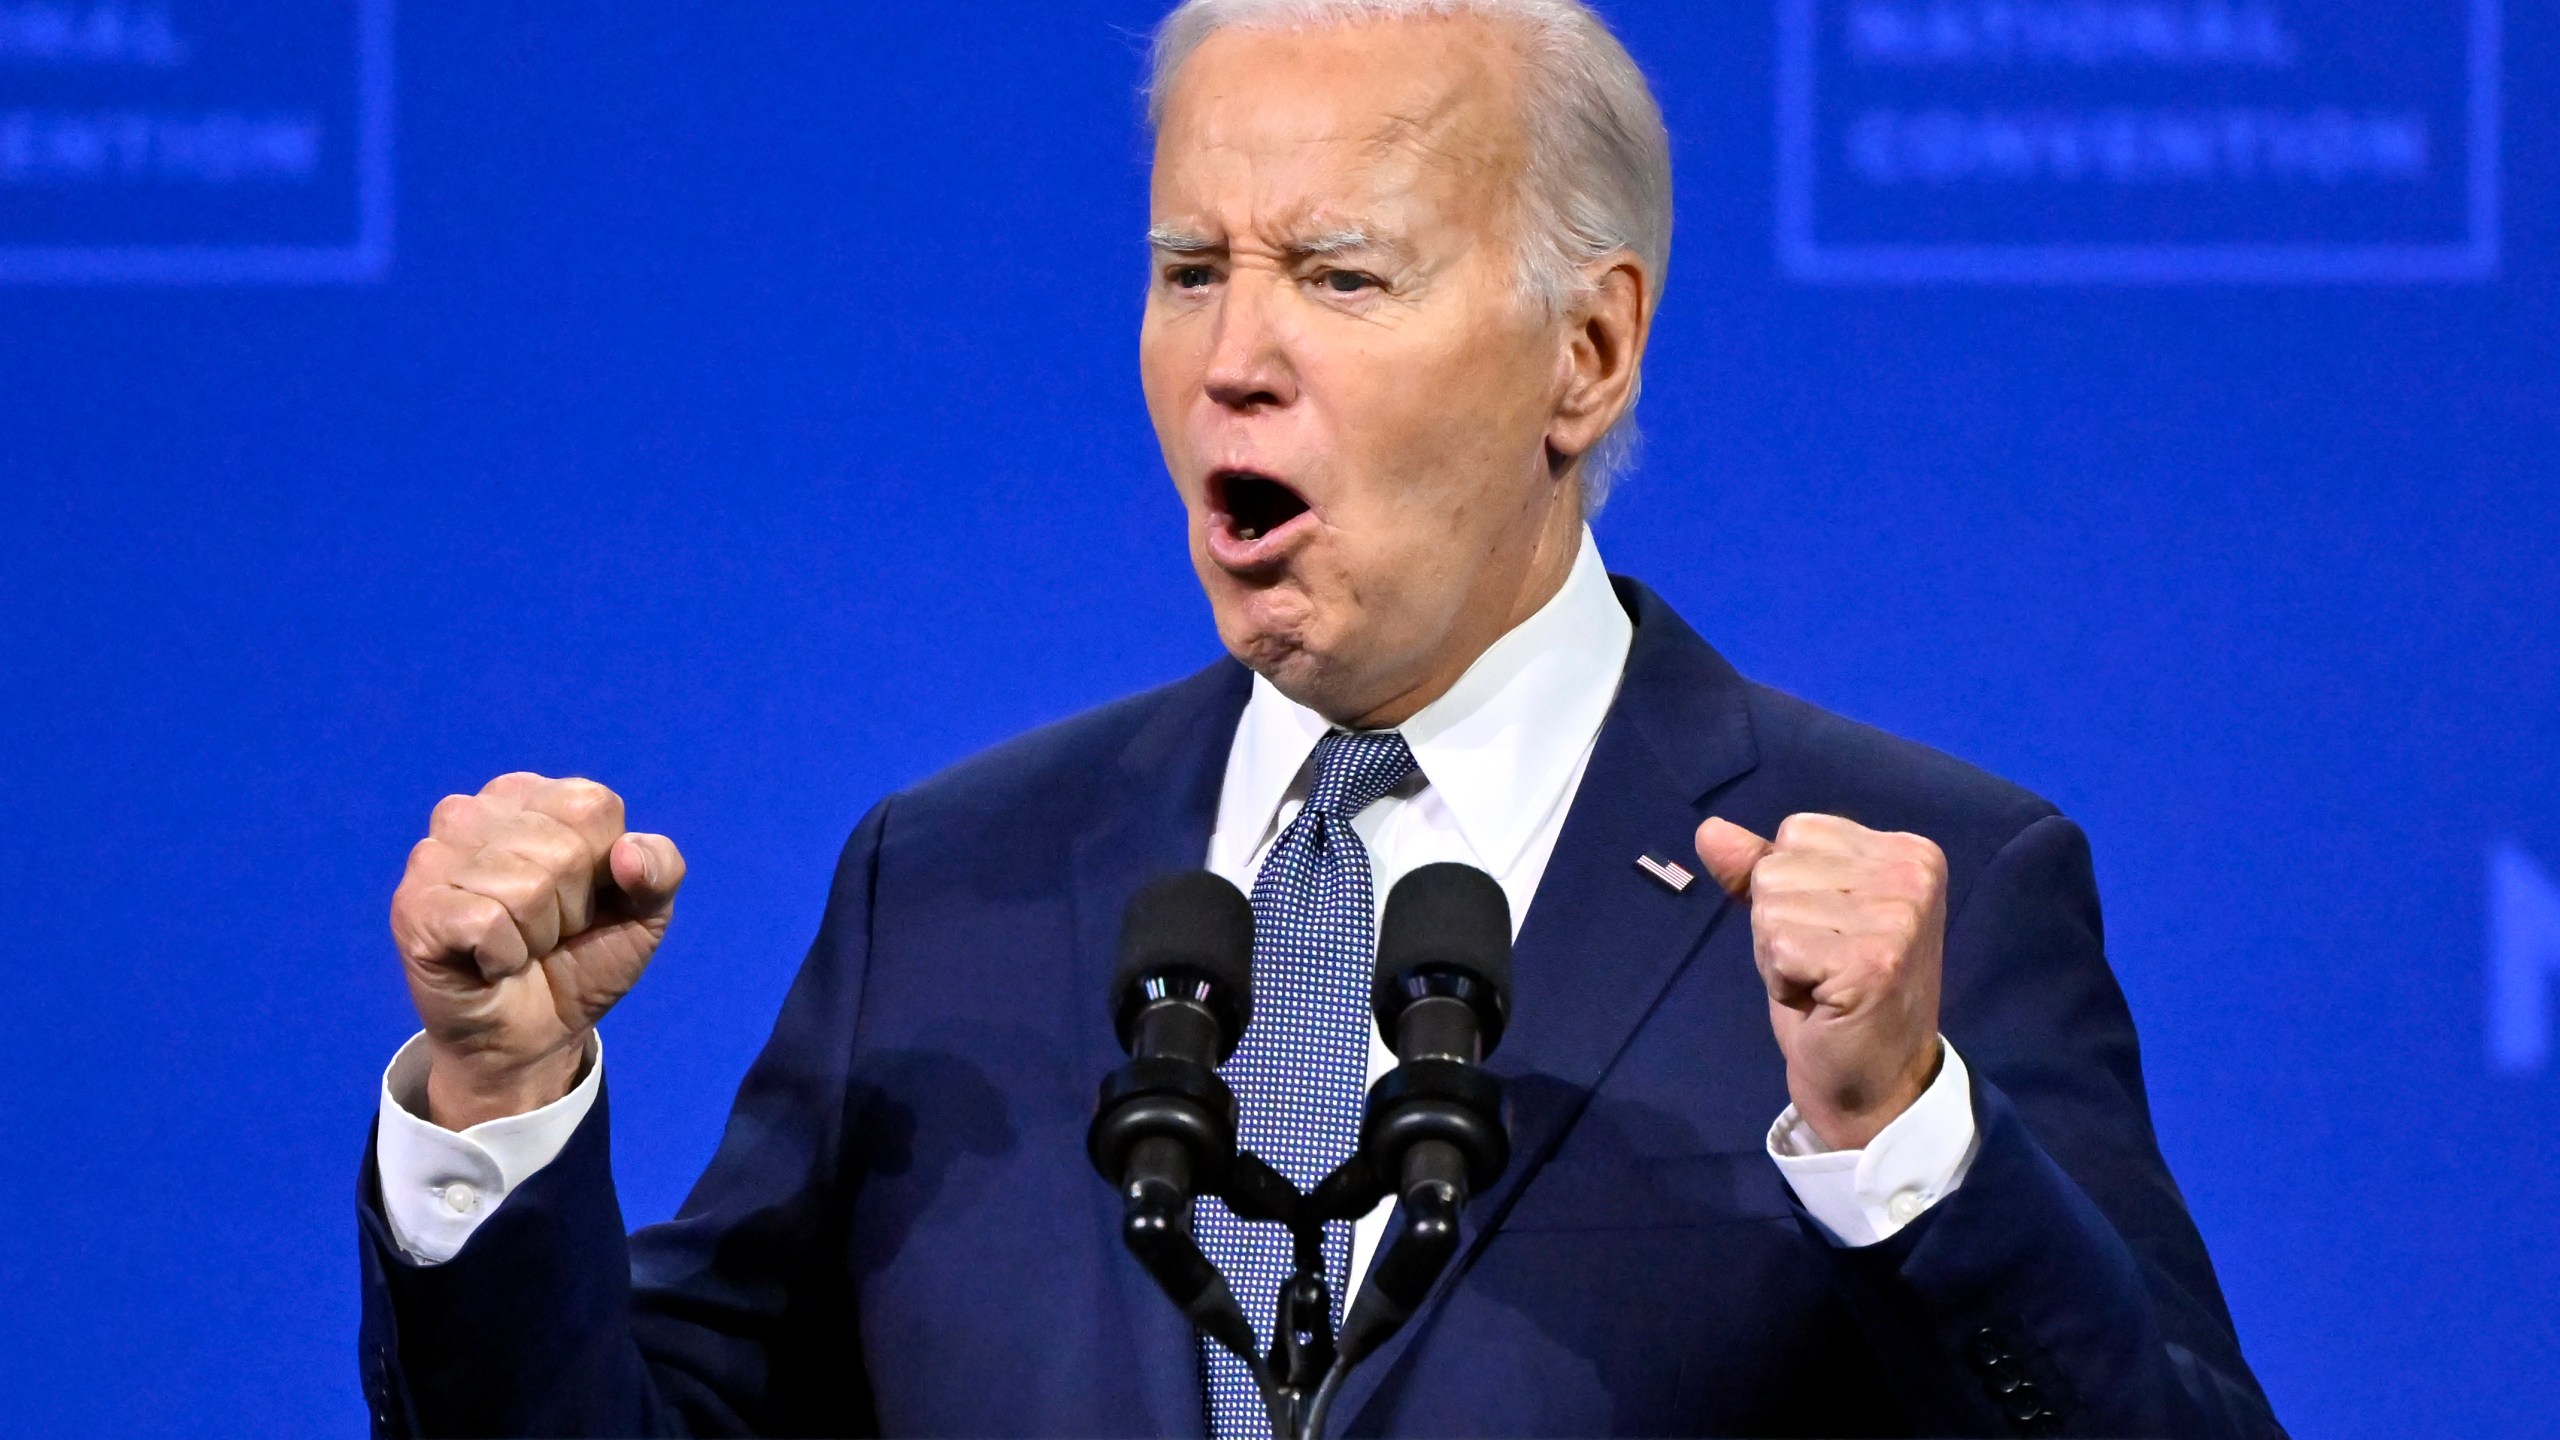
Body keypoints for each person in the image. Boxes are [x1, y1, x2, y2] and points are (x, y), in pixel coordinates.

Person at [358, 1, 2285, 1436]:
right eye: (1190, 271)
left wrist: (1901, 1144)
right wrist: (501, 1102)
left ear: (1588, 352)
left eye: (1340, 276)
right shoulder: (942, 884)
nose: (1234, 359)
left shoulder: (1912, 905)